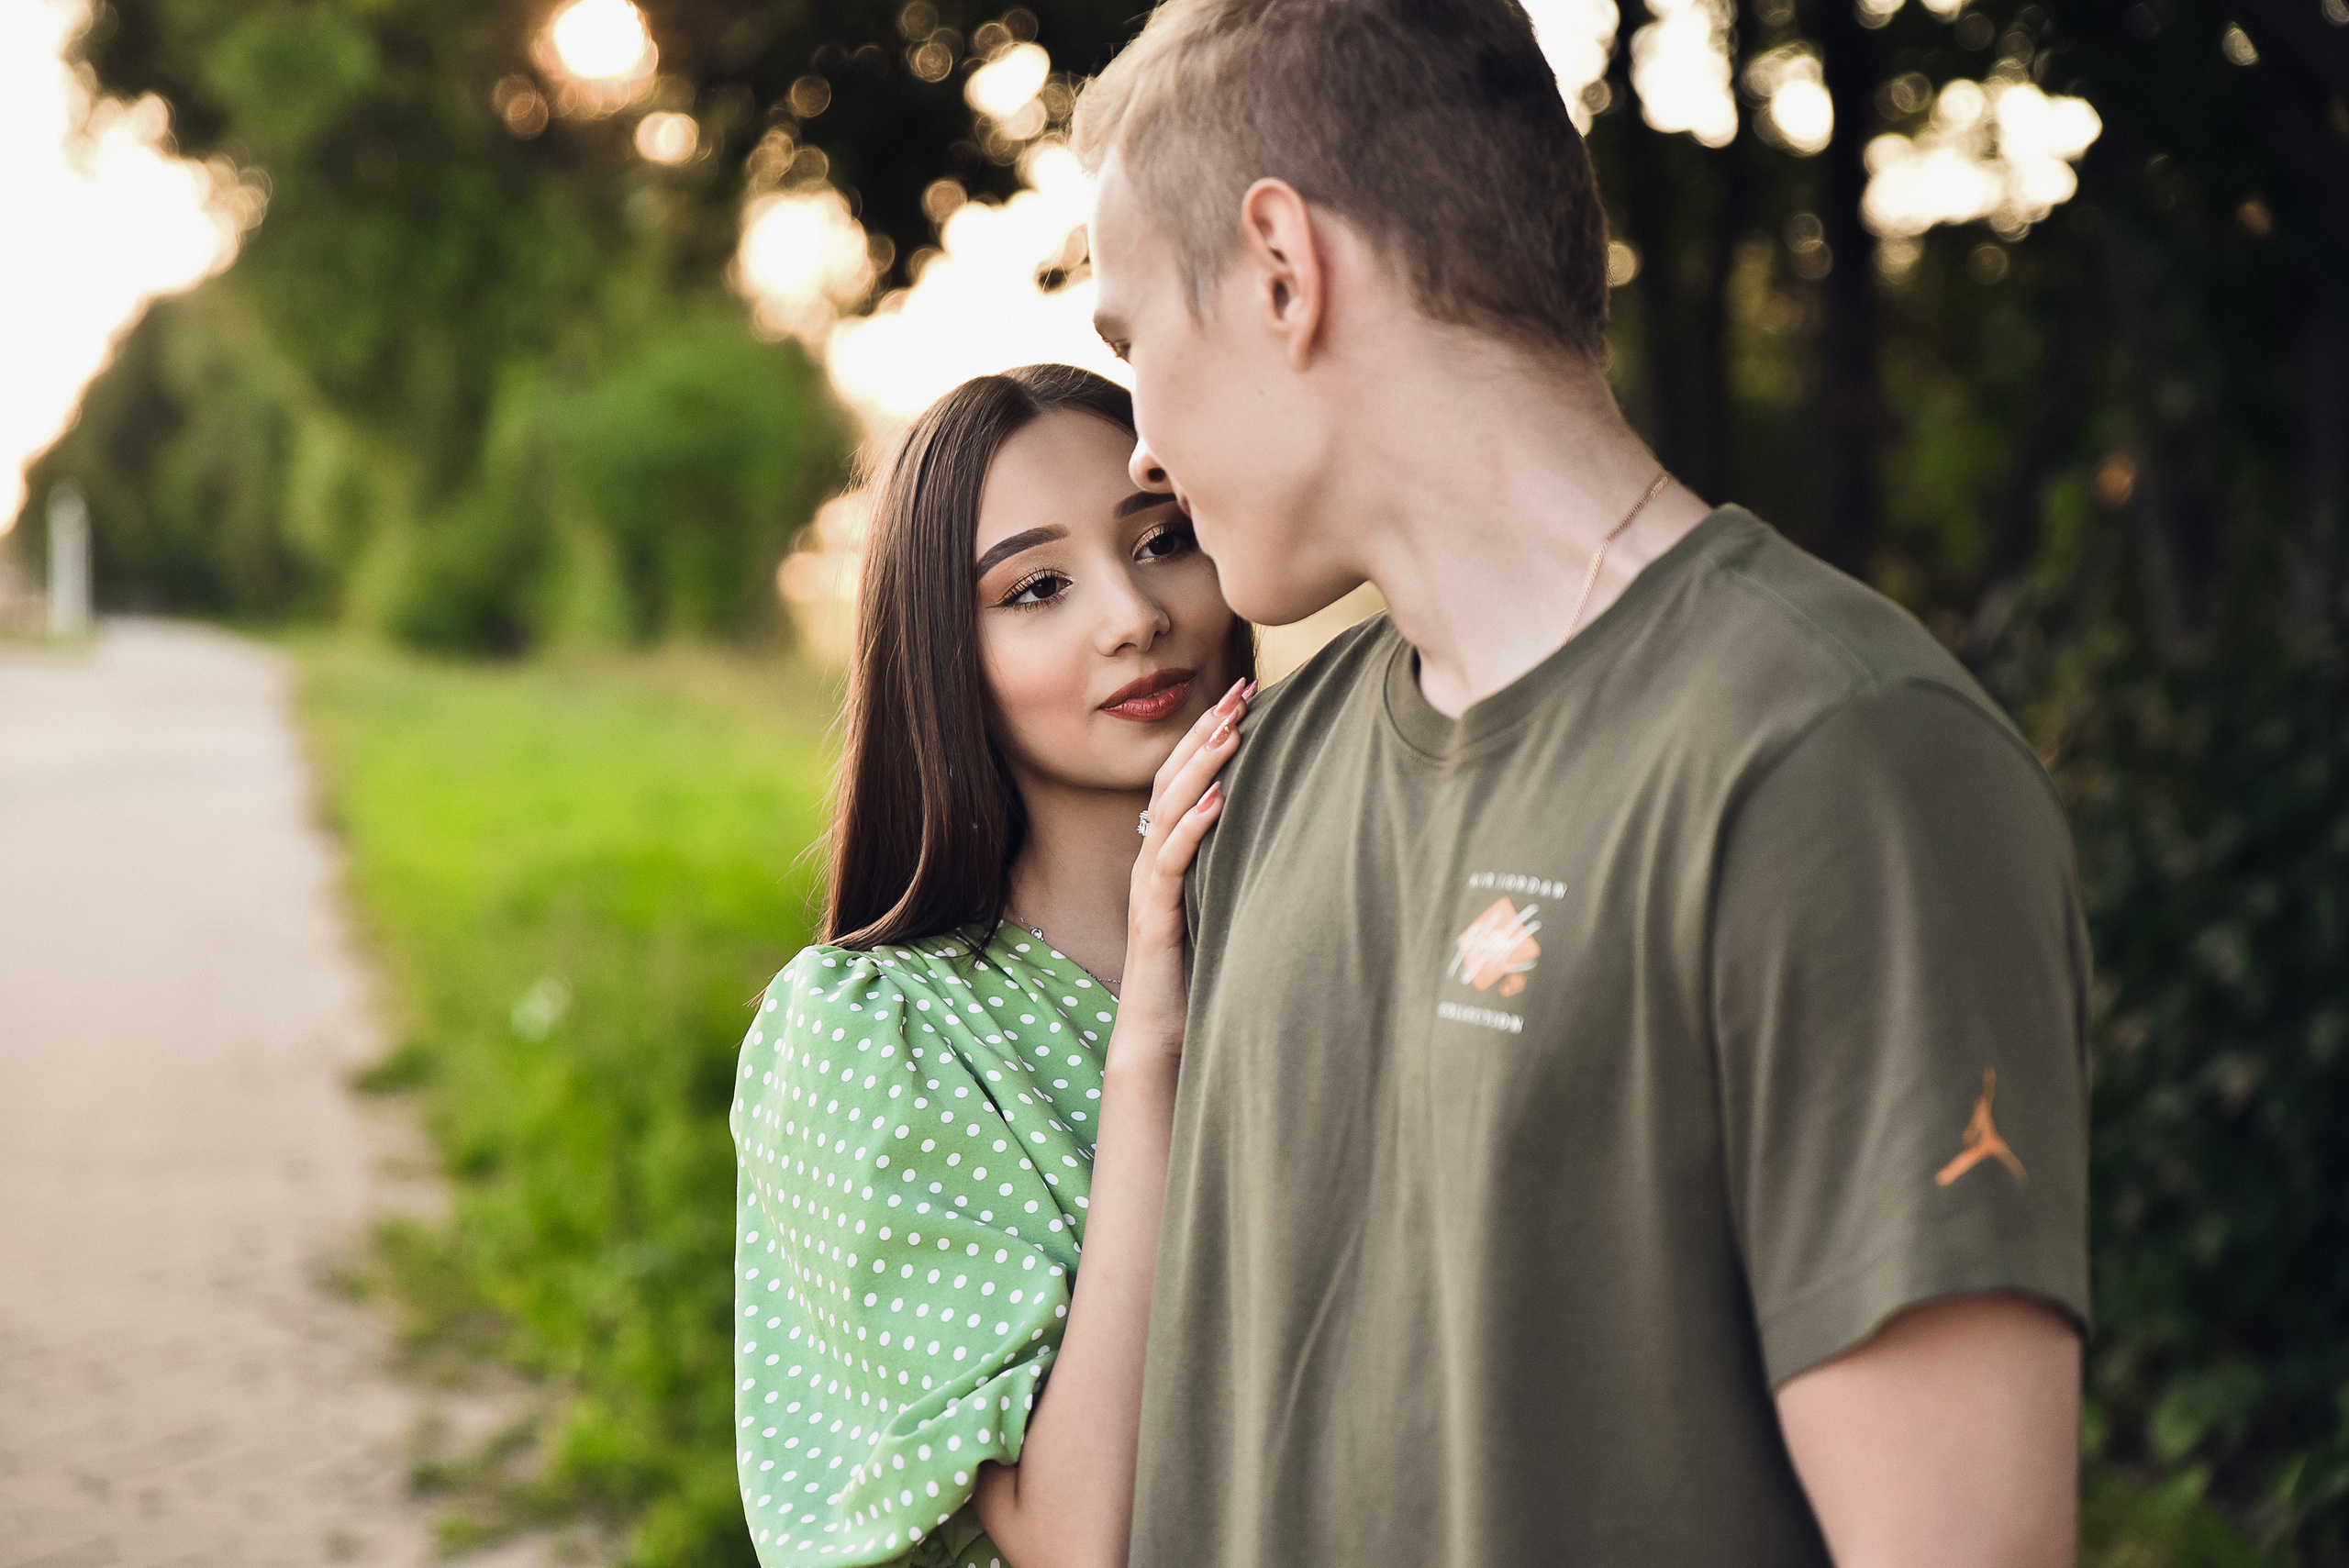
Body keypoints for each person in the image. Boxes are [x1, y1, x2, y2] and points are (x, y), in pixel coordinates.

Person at [1072, 0, 2090, 1564]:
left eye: (1135, 340)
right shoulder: (1272, 770)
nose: (1141, 446)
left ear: (1283, 269)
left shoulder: (1843, 764)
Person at [729, 364, 1253, 1568]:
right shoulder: (869, 1032)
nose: (1131, 614)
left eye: (1163, 538)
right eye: (1037, 587)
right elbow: (1080, 1540)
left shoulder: (1325, 916)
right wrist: (1148, 1050)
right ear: (944, 655)